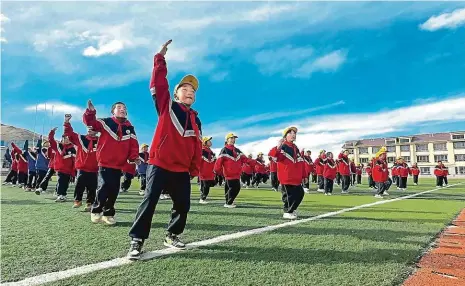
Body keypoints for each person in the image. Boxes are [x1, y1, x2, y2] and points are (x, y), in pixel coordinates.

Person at [127, 39, 201, 260]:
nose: (189, 92)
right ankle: (137, 240)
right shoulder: (166, 105)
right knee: (149, 201)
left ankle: (172, 234)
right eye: (185, 89)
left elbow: (196, 146)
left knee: (183, 205)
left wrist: (194, 168)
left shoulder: (197, 120)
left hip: (181, 170)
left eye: (193, 91)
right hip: (159, 164)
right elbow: (158, 83)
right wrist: (160, 58)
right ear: (177, 94)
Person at [83, 97, 139, 225]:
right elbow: (90, 123)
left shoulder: (130, 128)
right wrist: (90, 112)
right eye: (119, 108)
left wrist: (133, 157)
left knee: (114, 190)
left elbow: (134, 145)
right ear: (113, 111)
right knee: (103, 186)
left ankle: (108, 213)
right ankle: (96, 210)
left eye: (124, 108)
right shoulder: (105, 122)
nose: (122, 110)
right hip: (104, 162)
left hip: (119, 165)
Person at [269, 126, 307, 219]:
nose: (293, 135)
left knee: (300, 193)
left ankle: (292, 209)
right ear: (285, 136)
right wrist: (277, 147)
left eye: (294, 133)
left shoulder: (295, 147)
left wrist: (304, 175)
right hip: (286, 176)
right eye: (290, 133)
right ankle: (287, 211)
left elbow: (301, 162)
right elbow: (272, 156)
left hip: (296, 177)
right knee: (289, 196)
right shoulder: (283, 146)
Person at [63, 114, 99, 211]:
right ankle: (77, 201)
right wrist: (67, 122)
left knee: (92, 187)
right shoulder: (80, 139)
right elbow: (69, 134)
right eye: (88, 128)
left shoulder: (101, 141)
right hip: (82, 167)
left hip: (94, 169)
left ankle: (90, 203)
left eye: (92, 128)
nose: (90, 130)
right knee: (79, 185)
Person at [215, 133, 252, 208]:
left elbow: (245, 159)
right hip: (229, 173)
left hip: (237, 173)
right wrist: (216, 170)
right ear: (227, 140)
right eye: (231, 138)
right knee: (234, 188)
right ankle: (229, 202)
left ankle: (228, 202)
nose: (233, 139)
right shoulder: (224, 150)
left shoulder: (237, 150)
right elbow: (219, 161)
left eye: (234, 138)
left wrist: (254, 162)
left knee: (232, 188)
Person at [47, 127, 76, 202]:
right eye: (65, 139)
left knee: (66, 183)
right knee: (61, 181)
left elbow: (75, 158)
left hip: (69, 169)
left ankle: (63, 195)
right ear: (62, 139)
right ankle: (60, 195)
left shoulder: (72, 148)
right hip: (60, 168)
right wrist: (52, 132)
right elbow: (51, 140)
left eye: (68, 138)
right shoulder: (57, 146)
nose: (67, 140)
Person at [199, 137, 216, 203]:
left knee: (207, 186)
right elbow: (199, 161)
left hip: (210, 172)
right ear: (205, 142)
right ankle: (202, 199)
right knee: (205, 186)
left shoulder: (210, 151)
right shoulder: (202, 150)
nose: (210, 142)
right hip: (204, 171)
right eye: (209, 141)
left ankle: (203, 197)